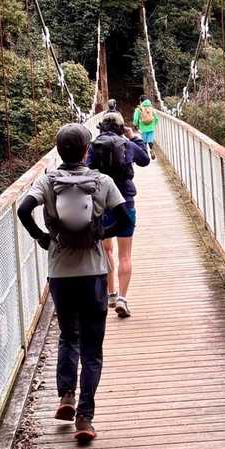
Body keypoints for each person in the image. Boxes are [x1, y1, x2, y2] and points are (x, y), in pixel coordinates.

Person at [17, 123, 130, 444]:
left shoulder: (47, 181)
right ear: (86, 151)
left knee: (69, 336)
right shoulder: (102, 181)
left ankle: (66, 395)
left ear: (58, 150)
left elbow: (24, 209)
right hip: (94, 274)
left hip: (60, 274)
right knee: (92, 349)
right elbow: (126, 220)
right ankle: (85, 417)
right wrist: (100, 234)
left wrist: (43, 238)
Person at [87, 112, 149, 319]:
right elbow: (145, 160)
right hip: (125, 203)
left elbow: (84, 170)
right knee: (125, 254)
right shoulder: (127, 144)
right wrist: (134, 138)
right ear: (121, 128)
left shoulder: (93, 146)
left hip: (101, 205)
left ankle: (110, 294)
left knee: (106, 250)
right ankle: (122, 298)